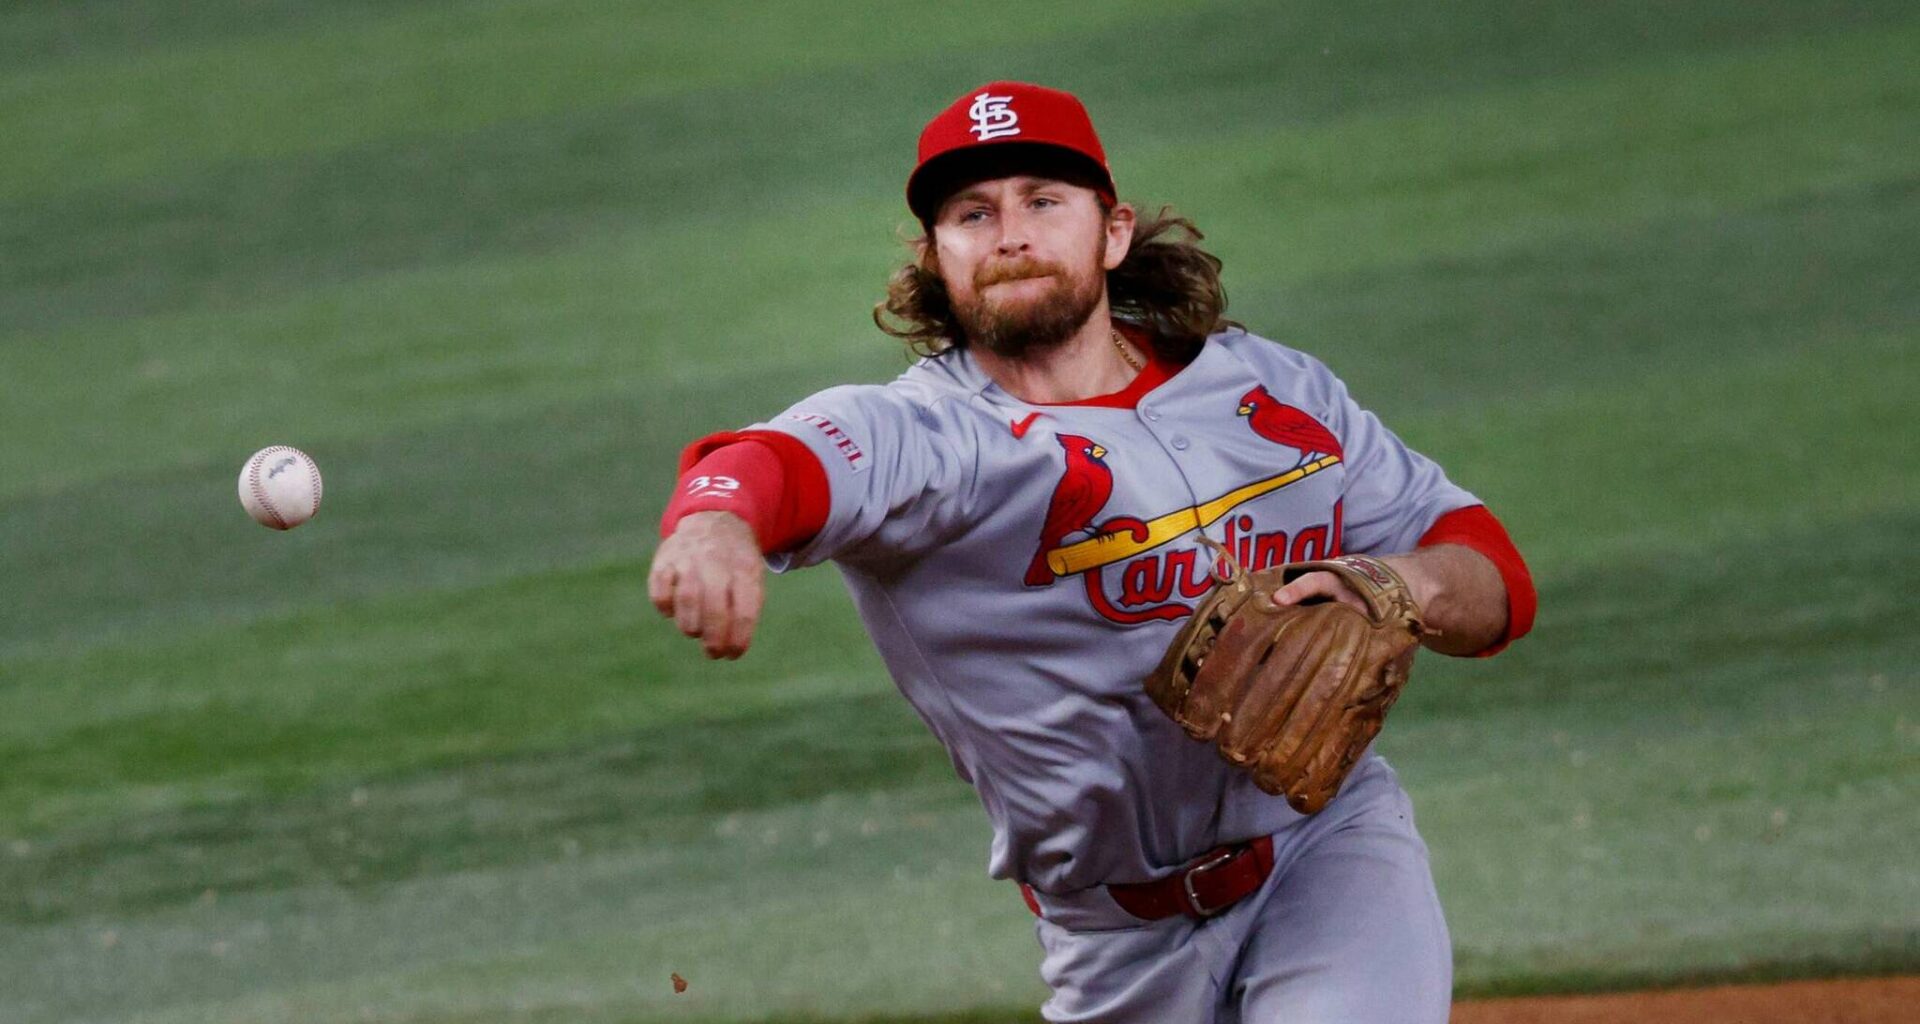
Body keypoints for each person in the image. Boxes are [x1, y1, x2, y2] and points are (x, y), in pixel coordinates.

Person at [649, 81, 1536, 1023]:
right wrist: (715, 524)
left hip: (1331, 857)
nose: (1010, 233)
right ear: (934, 255)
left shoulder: (1274, 388)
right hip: (1114, 940)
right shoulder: (928, 435)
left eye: (1043, 200)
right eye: (973, 213)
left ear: (1111, 232)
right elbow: (771, 463)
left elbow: (1491, 573)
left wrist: (1396, 584)